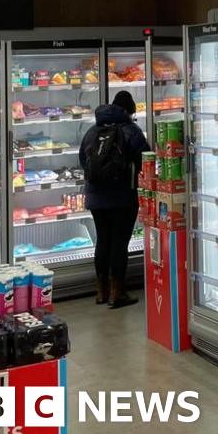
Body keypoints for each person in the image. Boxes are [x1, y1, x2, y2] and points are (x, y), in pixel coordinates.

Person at [79, 90, 149, 309]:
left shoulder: (93, 130)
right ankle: (117, 293)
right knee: (119, 243)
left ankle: (101, 291)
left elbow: (83, 159)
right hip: (123, 196)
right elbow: (145, 159)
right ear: (129, 111)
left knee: (103, 240)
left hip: (96, 196)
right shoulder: (132, 131)